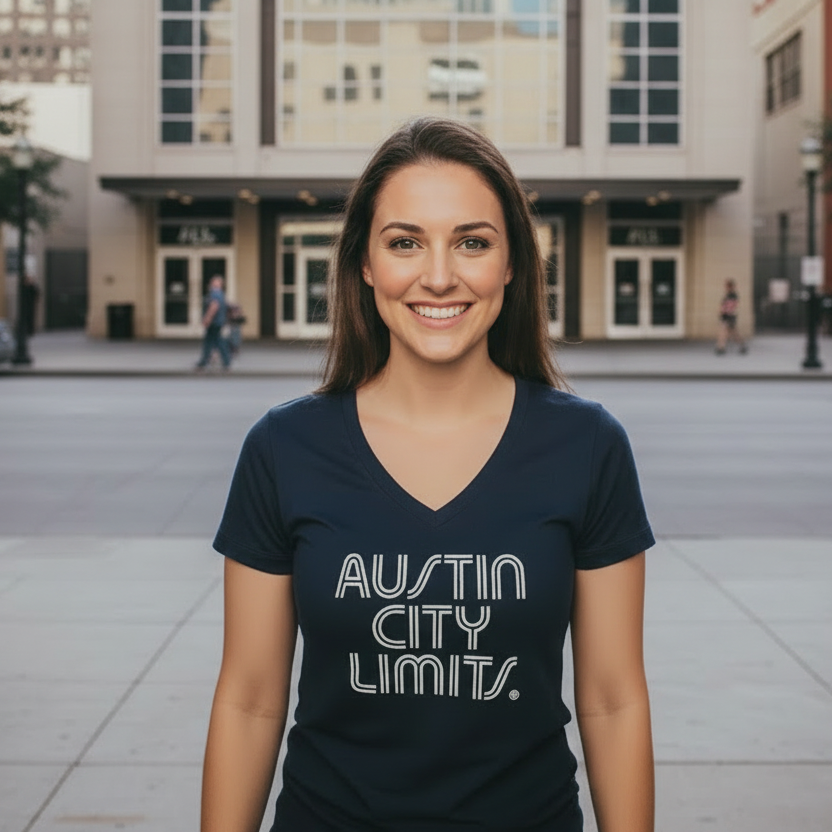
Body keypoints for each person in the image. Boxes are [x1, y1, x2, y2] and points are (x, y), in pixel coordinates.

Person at [202, 118, 655, 832]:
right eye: (405, 242)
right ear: (365, 264)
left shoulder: (587, 445)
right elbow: (251, 698)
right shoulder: (284, 447)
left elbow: (612, 697)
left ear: (511, 264)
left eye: (472, 242)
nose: (438, 275)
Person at [195, 275, 231, 370]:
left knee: (214, 342)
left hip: (214, 322)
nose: (212, 284)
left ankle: (205, 362)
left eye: (215, 282)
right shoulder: (221, 294)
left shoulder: (215, 293)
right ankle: (223, 361)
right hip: (219, 321)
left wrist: (207, 319)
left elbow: (214, 306)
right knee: (214, 342)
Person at [715, 278, 747, 355]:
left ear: (730, 286)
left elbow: (731, 306)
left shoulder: (732, 295)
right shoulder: (729, 295)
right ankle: (742, 346)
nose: (726, 287)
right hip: (727, 315)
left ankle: (721, 348)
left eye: (727, 286)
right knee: (732, 332)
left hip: (728, 316)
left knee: (724, 332)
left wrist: (724, 311)